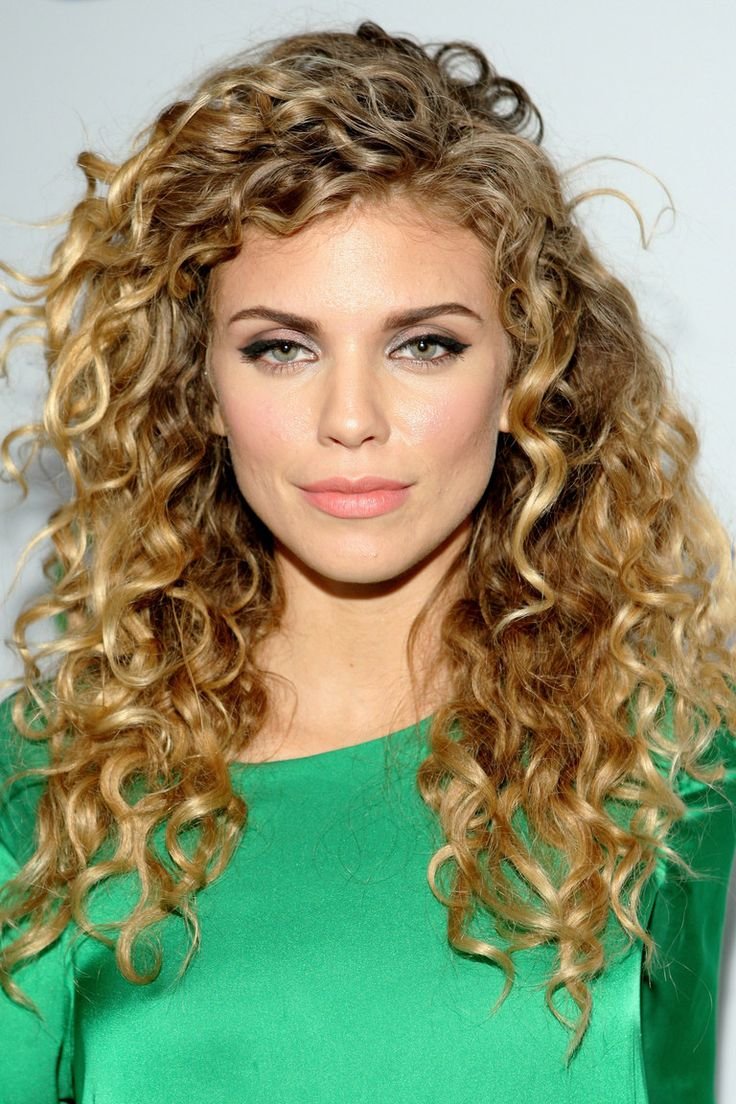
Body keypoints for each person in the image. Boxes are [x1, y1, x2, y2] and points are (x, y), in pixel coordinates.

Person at [0, 19, 734, 1104]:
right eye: (280, 347)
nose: (351, 418)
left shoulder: (668, 768)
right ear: (201, 385)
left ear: (524, 376)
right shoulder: (46, 795)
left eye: (424, 344)